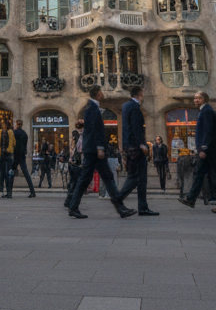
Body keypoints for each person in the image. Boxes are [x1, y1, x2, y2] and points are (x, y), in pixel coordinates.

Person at [65, 87, 134, 219]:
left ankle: (120, 208)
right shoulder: (92, 108)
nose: (103, 94)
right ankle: (73, 206)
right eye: (101, 92)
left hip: (93, 150)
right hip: (93, 151)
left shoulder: (92, 108)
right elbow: (93, 130)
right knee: (88, 178)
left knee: (105, 177)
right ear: (97, 94)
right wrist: (100, 147)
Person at [179, 91, 216, 208]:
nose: (196, 100)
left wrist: (203, 148)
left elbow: (208, 131)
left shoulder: (206, 111)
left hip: (209, 150)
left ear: (204, 99)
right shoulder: (205, 111)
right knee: (200, 173)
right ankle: (191, 198)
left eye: (198, 98)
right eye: (195, 98)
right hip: (209, 149)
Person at [115, 86, 157, 216]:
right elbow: (136, 127)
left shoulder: (126, 106)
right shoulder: (135, 107)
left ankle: (143, 207)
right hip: (136, 148)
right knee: (137, 177)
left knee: (139, 178)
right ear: (140, 94)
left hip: (129, 147)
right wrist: (141, 144)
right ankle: (118, 198)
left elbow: (127, 127)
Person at [11, 119, 36, 197]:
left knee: (11, 173)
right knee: (26, 174)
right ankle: (32, 191)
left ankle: (9, 192)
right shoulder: (24, 133)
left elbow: (13, 144)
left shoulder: (14, 133)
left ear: (16, 124)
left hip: (16, 155)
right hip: (22, 156)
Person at [0, 120, 15, 197]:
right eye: (3, 124)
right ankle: (3, 189)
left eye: (5, 124)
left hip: (6, 154)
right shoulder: (0, 132)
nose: (4, 126)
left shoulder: (10, 132)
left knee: (7, 173)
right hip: (3, 154)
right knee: (4, 173)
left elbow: (13, 142)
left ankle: (7, 190)